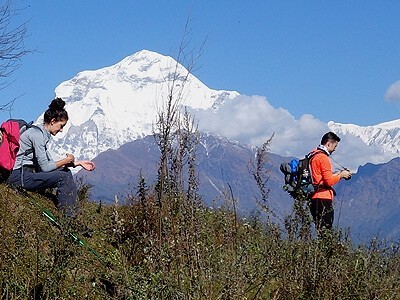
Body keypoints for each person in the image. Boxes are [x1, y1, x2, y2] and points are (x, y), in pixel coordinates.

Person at [7, 98, 95, 220]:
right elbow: (46, 167)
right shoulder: (37, 135)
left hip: (23, 173)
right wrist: (66, 160)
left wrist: (76, 163)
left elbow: (48, 163)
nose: (61, 130)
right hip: (18, 176)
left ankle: (72, 215)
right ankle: (69, 218)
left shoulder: (40, 133)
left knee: (64, 173)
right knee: (63, 177)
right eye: (61, 126)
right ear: (53, 121)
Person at [309, 131, 351, 231]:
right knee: (326, 231)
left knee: (320, 229)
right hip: (323, 198)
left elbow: (320, 178)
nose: (334, 150)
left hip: (314, 198)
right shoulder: (323, 158)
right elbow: (328, 182)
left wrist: (337, 174)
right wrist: (341, 175)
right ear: (329, 144)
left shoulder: (313, 154)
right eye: (335, 146)